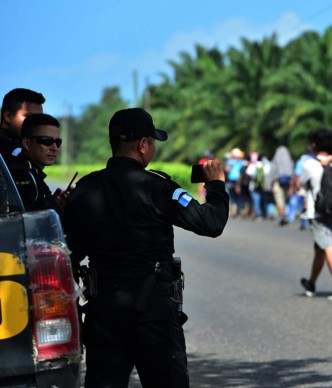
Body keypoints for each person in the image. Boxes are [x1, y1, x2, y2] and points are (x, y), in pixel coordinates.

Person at [63, 108, 229, 388]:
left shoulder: (84, 189)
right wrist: (215, 186)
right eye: (152, 141)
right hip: (154, 315)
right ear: (143, 145)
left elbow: (69, 257)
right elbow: (211, 223)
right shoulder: (158, 188)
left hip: (104, 314)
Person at [300, 128, 332, 300]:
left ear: (314, 144)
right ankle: (311, 283)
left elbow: (302, 183)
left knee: (326, 243)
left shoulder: (310, 164)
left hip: (318, 210)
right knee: (319, 247)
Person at [8, 113, 68, 213]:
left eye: (58, 142)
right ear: (27, 143)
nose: (54, 148)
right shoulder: (21, 175)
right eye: (47, 141)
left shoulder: (32, 173)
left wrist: (53, 202)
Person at [0, 88, 45, 161]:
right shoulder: (8, 150)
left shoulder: (24, 145)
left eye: (40, 117)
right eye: (29, 116)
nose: (36, 122)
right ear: (8, 116)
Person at [268, 145, 294, 225]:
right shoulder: (290, 162)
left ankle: (282, 215)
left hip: (277, 183)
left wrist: (269, 185)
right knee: (285, 200)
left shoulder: (275, 161)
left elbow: (271, 174)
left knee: (280, 201)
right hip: (287, 183)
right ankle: (284, 215)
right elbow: (292, 174)